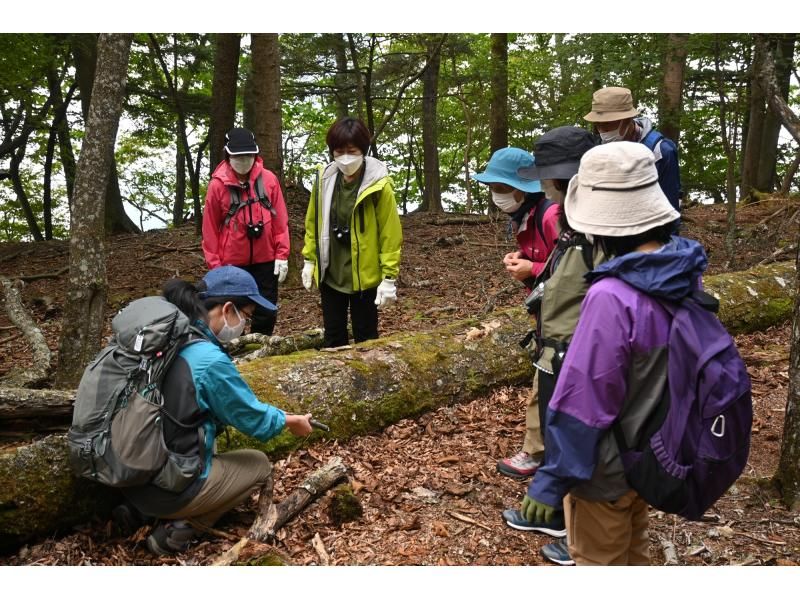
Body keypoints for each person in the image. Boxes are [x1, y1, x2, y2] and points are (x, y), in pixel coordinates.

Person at [522, 142, 705, 566]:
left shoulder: (612, 295)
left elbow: (586, 400)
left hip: (603, 470)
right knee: (634, 553)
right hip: (652, 454)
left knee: (598, 563)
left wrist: (552, 480)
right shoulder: (681, 273)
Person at [119, 266, 314, 556]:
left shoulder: (163, 338)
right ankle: (177, 531)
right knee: (259, 464)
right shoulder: (207, 359)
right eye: (245, 316)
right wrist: (291, 420)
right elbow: (252, 418)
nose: (244, 326)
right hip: (169, 484)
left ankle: (138, 512)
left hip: (127, 474)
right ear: (226, 309)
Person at [500, 127, 601, 547]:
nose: (545, 186)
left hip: (574, 345)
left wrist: (534, 272)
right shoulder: (578, 217)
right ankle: (563, 513)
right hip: (560, 339)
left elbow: (582, 282)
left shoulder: (583, 222)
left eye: (549, 178)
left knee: (575, 423)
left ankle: (574, 527)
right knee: (562, 420)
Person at [471, 147, 560, 479]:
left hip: (565, 315)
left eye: (500, 188)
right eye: (492, 188)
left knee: (546, 377)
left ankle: (537, 452)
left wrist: (532, 268)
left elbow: (572, 268)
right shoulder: (522, 217)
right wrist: (520, 258)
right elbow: (539, 255)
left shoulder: (550, 216)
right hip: (546, 313)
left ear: (521, 189)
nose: (495, 195)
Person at [301, 117, 403, 348]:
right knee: (333, 335)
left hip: (365, 276)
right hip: (332, 273)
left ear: (363, 151)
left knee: (366, 336)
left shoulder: (379, 185)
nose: (345, 158)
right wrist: (310, 259)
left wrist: (389, 277)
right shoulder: (324, 180)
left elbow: (390, 232)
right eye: (339, 151)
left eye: (351, 151)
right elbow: (312, 222)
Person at [201, 127, 290, 336]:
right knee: (234, 313)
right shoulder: (217, 185)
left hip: (266, 259)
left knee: (266, 311)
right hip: (232, 263)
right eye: (238, 156)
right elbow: (210, 229)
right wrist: (215, 267)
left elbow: (280, 220)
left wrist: (282, 254)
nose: (244, 160)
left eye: (248, 155)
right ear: (228, 155)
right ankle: (235, 351)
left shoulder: (269, 180)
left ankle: (261, 347)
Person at [583, 86, 682, 212]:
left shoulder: (660, 152)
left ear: (626, 120)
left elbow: (670, 210)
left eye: (607, 123)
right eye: (598, 124)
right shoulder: (598, 148)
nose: (602, 130)